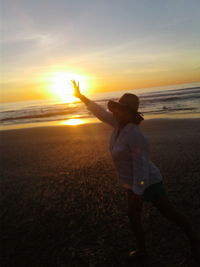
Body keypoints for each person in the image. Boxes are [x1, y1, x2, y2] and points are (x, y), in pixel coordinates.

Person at [71, 80, 200, 264]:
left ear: (130, 114)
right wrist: (81, 96)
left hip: (149, 183)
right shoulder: (118, 125)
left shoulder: (135, 136)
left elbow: (141, 168)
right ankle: (142, 251)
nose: (116, 112)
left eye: (121, 110)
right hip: (132, 184)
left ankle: (194, 239)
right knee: (133, 217)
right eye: (116, 108)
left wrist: (138, 191)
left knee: (170, 214)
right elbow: (100, 113)